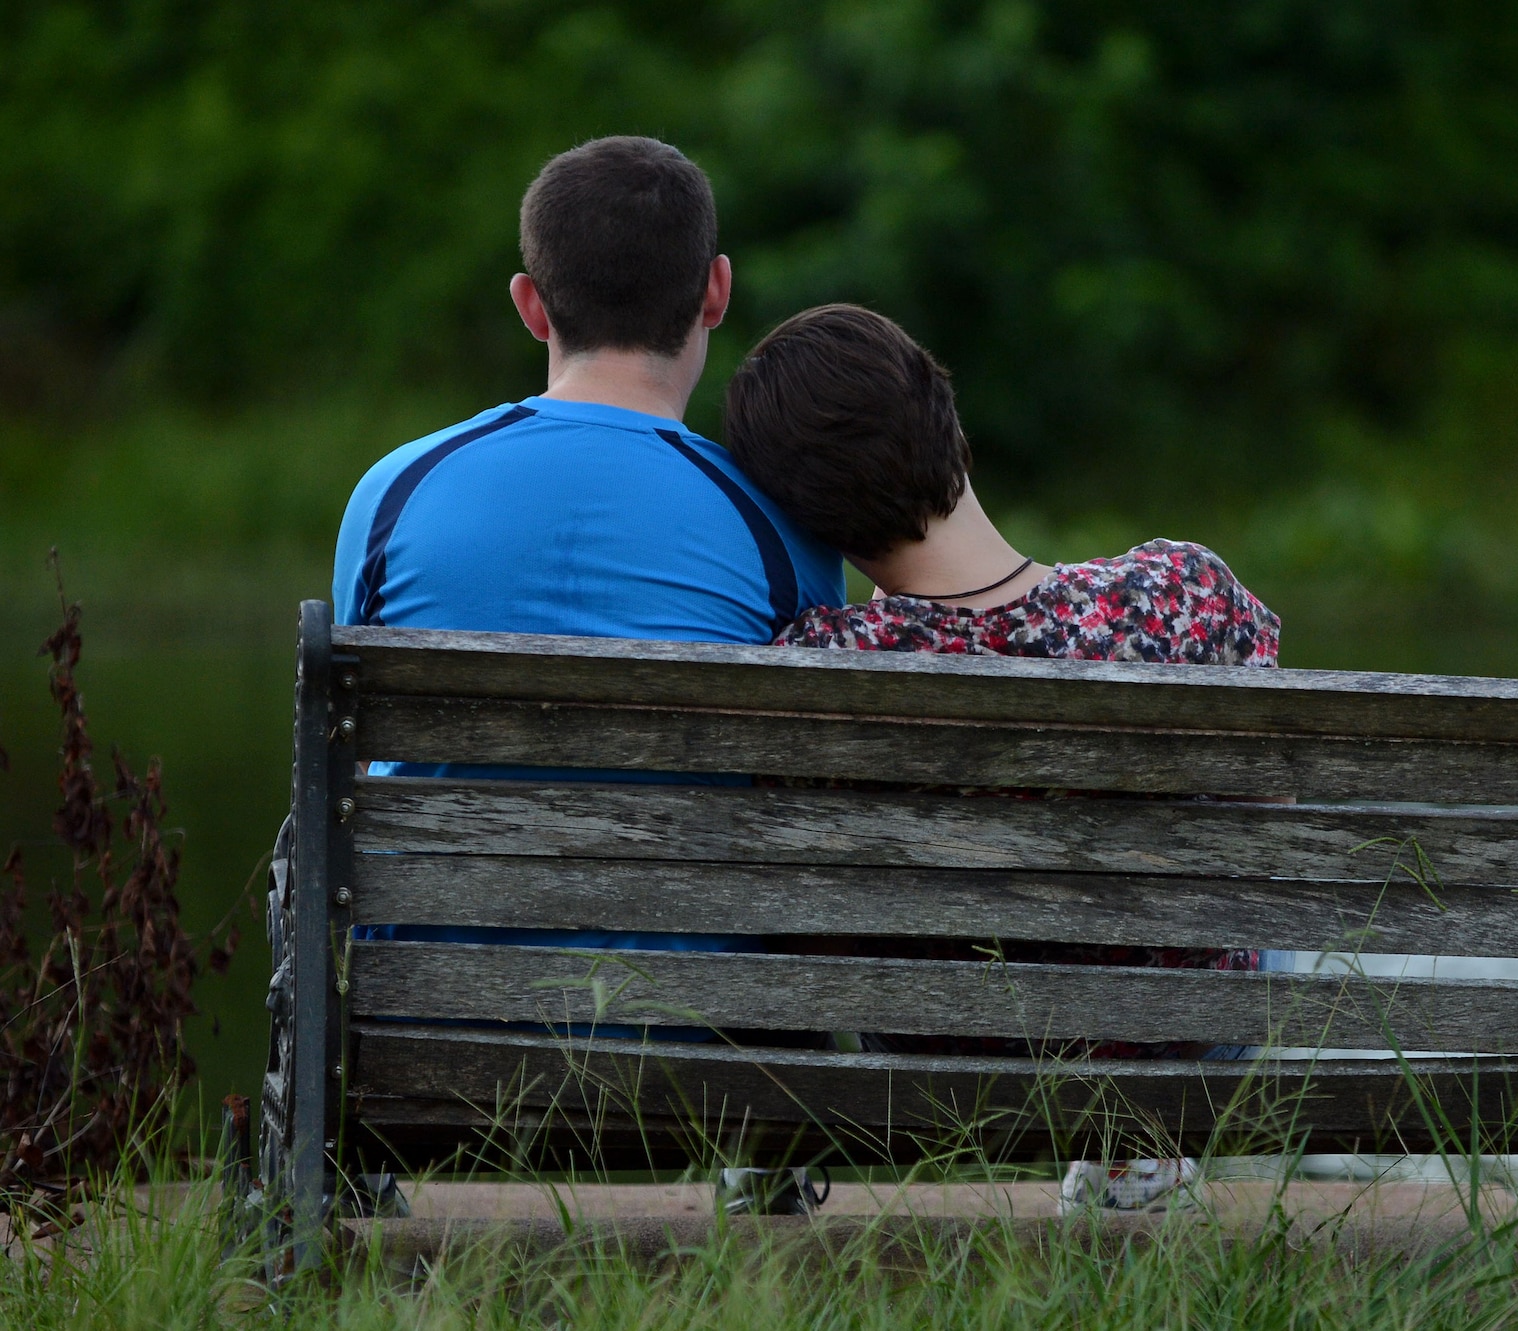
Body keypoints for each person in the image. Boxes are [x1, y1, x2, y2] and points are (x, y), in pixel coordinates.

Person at [723, 303, 1281, 1212]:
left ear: (808, 518)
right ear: (952, 424)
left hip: (944, 1064)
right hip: (1188, 1043)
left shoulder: (826, 666)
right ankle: (1133, 1155)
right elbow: (1268, 816)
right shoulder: (1186, 590)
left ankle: (773, 1146)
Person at [331, 141, 841, 1009]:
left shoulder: (397, 492)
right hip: (694, 1027)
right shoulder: (780, 526)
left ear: (532, 305)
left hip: (422, 1012)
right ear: (716, 290)